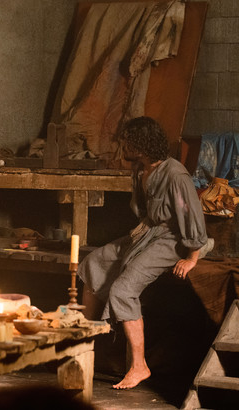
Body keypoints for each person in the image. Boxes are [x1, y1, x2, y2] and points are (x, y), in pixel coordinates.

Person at [78, 116, 208, 390]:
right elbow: (143, 212)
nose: (123, 146)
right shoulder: (141, 169)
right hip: (146, 233)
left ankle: (139, 366)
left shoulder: (175, 175)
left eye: (127, 142)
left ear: (142, 144)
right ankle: (83, 344)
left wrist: (191, 258)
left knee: (123, 290)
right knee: (92, 263)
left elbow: (193, 218)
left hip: (172, 239)